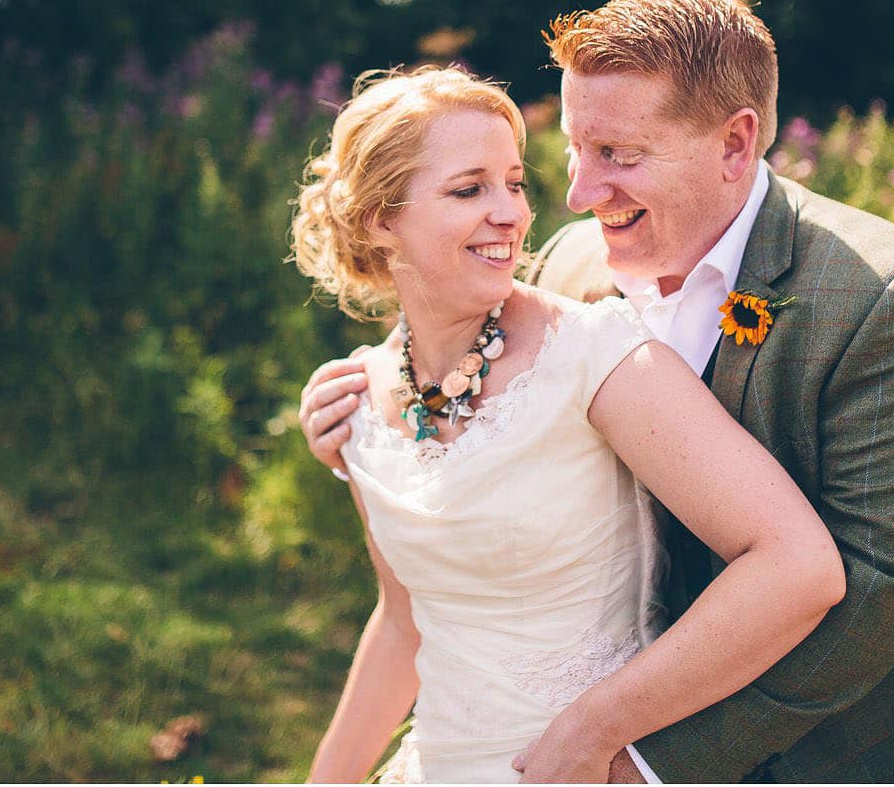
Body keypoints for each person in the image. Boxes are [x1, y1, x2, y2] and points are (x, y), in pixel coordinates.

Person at [299, 0, 894, 782]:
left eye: (619, 156)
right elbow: (481, 382)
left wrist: (644, 759)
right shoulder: (573, 265)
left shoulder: (889, 297)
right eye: (573, 150)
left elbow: (882, 589)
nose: (577, 193)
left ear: (736, 145)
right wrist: (368, 420)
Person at [291, 66, 845, 784]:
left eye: (514, 184)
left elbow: (799, 567)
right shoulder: (359, 399)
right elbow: (404, 622)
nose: (512, 215)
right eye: (469, 189)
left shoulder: (593, 353)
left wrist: (593, 732)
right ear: (381, 220)